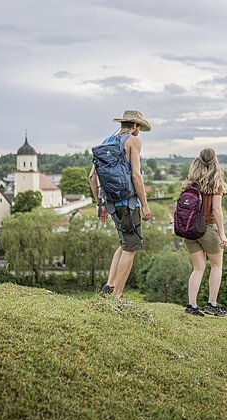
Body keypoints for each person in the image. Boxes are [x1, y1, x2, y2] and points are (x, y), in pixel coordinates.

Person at [89, 110, 152, 300]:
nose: (139, 130)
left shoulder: (106, 141)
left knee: (124, 242)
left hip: (111, 203)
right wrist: (145, 205)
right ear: (134, 125)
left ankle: (110, 286)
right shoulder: (133, 141)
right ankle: (117, 297)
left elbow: (92, 177)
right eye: (139, 127)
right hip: (129, 202)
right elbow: (136, 175)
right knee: (131, 248)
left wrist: (99, 204)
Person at [182, 148, 227, 317]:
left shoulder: (189, 182)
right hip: (207, 229)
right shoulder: (215, 183)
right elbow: (216, 209)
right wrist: (222, 234)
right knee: (216, 266)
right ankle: (212, 304)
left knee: (198, 268)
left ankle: (192, 306)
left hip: (189, 231)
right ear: (215, 162)